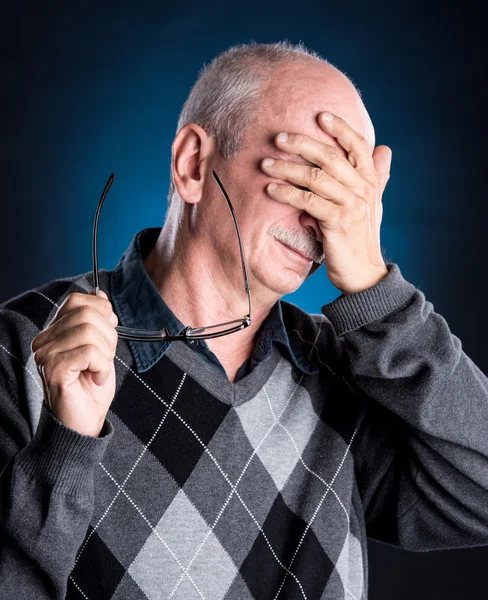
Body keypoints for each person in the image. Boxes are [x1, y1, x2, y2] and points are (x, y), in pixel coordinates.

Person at [1, 40, 487, 600]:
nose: (322, 217)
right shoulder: (22, 351)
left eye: (347, 193)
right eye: (311, 174)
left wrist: (379, 295)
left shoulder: (346, 373)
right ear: (193, 164)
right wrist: (65, 448)